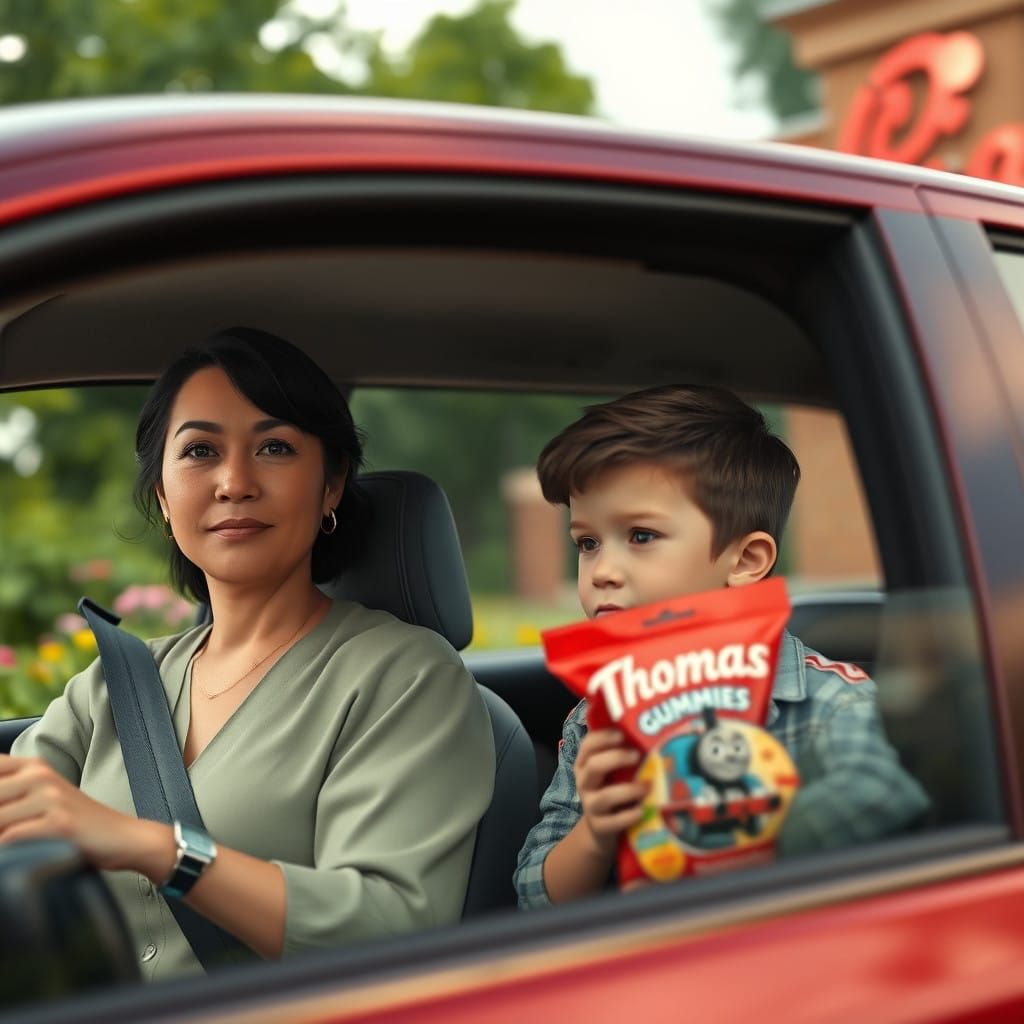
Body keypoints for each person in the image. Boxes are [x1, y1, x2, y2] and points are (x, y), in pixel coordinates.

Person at [0, 327, 494, 979]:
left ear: (331, 486)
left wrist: (158, 849)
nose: (235, 481)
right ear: (162, 496)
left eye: (275, 447)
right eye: (201, 450)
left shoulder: (404, 679)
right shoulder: (113, 684)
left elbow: (390, 924)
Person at [514, 385, 928, 908]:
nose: (603, 572)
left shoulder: (832, 704)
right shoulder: (598, 718)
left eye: (640, 536)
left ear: (745, 560)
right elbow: (532, 894)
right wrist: (596, 832)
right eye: (587, 543)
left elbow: (886, 803)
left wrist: (744, 835)